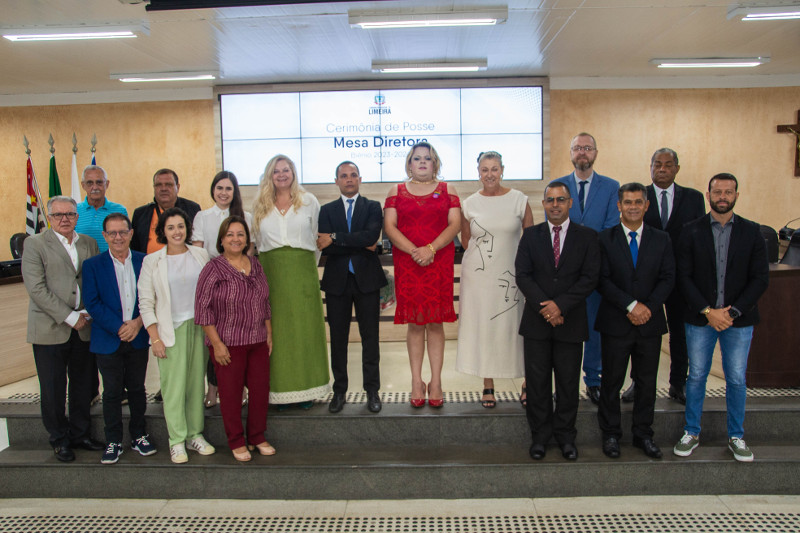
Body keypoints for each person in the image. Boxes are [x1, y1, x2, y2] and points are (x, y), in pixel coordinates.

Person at [673, 173, 769, 462]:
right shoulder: (690, 230)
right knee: (697, 376)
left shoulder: (753, 232)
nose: (723, 196)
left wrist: (733, 312)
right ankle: (691, 431)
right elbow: (684, 277)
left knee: (737, 378)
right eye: (718, 191)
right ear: (709, 194)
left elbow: (760, 278)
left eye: (729, 192)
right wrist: (707, 311)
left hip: (738, 321)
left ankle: (737, 436)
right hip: (700, 318)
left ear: (737, 195)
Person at [515, 182, 599, 461]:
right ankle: (539, 436)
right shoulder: (530, 236)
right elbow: (523, 275)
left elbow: (589, 278)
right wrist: (546, 308)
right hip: (537, 323)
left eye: (560, 199)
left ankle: (565, 437)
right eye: (550, 200)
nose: (555, 204)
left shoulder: (587, 237)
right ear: (543, 203)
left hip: (571, 321)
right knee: (537, 384)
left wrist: (560, 305)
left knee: (567, 383)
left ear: (570, 203)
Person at [595, 183, 675, 460]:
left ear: (646, 205)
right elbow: (601, 279)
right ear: (619, 206)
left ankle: (643, 434)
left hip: (649, 323)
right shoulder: (604, 239)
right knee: (612, 382)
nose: (632, 206)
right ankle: (611, 435)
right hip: (616, 322)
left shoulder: (661, 239)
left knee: (646, 381)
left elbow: (668, 278)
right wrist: (630, 305)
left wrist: (647, 308)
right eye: (627, 202)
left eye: (638, 202)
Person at [21, 196, 103, 462]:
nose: (64, 219)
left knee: (82, 385)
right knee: (53, 387)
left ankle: (81, 434)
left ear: (77, 216)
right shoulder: (34, 245)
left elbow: (97, 280)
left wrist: (87, 313)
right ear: (50, 217)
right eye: (58, 215)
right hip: (51, 328)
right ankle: (59, 438)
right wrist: (70, 317)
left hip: (85, 326)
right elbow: (36, 289)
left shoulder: (89, 243)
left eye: (69, 214)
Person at [621, 148, 704, 405]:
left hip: (682, 278)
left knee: (680, 332)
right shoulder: (639, 198)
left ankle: (678, 383)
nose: (662, 169)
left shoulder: (693, 198)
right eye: (657, 164)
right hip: (647, 279)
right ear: (650, 167)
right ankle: (637, 382)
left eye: (668, 165)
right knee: (641, 332)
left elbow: (698, 238)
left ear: (677, 168)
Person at [384, 142, 461, 408]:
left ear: (435, 163)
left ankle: (436, 381)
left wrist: (430, 249)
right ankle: (417, 381)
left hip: (438, 261)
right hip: (409, 263)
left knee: (436, 323)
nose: (423, 163)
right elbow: (390, 227)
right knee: (415, 323)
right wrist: (415, 252)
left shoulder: (448, 189)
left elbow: (455, 224)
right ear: (409, 164)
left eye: (428, 159)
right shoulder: (396, 190)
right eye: (417, 159)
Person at [456, 151, 533, 408]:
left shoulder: (519, 200)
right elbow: (466, 241)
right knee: (485, 330)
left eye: (494, 168)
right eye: (485, 169)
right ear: (478, 172)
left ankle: (527, 381)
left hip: (512, 275)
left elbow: (531, 239)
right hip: (479, 279)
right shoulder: (469, 204)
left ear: (502, 170)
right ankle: (488, 384)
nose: (490, 174)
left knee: (517, 328)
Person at [138, 207, 215, 463]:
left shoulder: (200, 254)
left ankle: (195, 435)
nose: (176, 232)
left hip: (198, 327)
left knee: (195, 384)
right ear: (163, 231)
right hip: (169, 331)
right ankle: (177, 440)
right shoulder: (152, 261)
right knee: (173, 388)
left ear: (187, 228)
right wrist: (155, 338)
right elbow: (146, 303)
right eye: (170, 227)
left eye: (180, 226)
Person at [253, 155, 329, 408]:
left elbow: (316, 239)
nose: (282, 175)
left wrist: (304, 266)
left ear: (294, 173)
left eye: (287, 170)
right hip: (271, 272)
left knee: (304, 330)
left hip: (302, 272)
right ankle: (278, 391)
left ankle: (307, 389)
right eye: (276, 171)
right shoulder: (261, 205)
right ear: (269, 175)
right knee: (276, 331)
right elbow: (256, 243)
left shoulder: (309, 201)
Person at [195, 216, 274, 462]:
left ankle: (257, 436)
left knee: (260, 391)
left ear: (247, 239)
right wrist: (216, 344)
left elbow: (264, 301)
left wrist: (269, 333)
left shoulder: (255, 264)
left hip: (258, 340)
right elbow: (202, 309)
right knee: (230, 394)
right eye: (230, 234)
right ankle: (237, 441)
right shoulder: (213, 268)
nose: (235, 239)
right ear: (221, 240)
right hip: (227, 343)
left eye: (240, 234)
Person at [82, 213, 156, 464]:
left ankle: (139, 435)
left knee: (137, 389)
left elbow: (153, 296)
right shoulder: (93, 265)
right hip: (108, 339)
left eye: (122, 232)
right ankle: (113, 440)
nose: (118, 237)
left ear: (131, 233)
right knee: (112, 392)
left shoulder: (145, 261)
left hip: (138, 335)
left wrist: (137, 323)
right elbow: (92, 302)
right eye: (112, 233)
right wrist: (119, 327)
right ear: (104, 236)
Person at [552, 133, 619, 405]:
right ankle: (564, 384)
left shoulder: (611, 187)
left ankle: (593, 379)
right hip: (564, 274)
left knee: (593, 329)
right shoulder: (558, 186)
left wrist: (589, 261)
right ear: (570, 152)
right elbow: (555, 224)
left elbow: (611, 227)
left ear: (596, 152)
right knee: (563, 332)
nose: (582, 152)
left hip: (596, 272)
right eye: (578, 148)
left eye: (587, 148)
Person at [317, 161, 387, 414]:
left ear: (360, 179)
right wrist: (355, 242)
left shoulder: (372, 207)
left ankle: (372, 391)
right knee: (338, 340)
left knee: (371, 339)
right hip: (337, 283)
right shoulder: (326, 210)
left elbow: (371, 238)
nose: (349, 179)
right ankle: (339, 391)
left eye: (353, 175)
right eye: (343, 176)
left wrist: (336, 237)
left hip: (367, 281)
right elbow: (325, 246)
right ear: (336, 181)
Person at [192, 170, 254, 408]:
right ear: (213, 190)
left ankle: (241, 389)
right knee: (215, 340)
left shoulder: (245, 216)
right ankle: (212, 389)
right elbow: (198, 252)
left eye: (228, 188)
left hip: (241, 287)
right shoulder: (202, 217)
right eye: (220, 188)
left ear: (234, 191)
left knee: (241, 339)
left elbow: (248, 252)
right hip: (214, 284)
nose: (224, 193)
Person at [131, 168, 201, 254]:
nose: (163, 188)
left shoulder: (193, 209)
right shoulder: (140, 214)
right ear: (154, 188)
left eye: (168, 184)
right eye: (159, 185)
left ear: (177, 187)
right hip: (150, 264)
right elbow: (134, 249)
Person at [75, 165, 129, 253]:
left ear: (107, 184)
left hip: (112, 264)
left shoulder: (120, 210)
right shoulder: (74, 211)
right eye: (90, 183)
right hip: (82, 265)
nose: (95, 187)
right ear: (83, 185)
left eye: (99, 182)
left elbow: (126, 239)